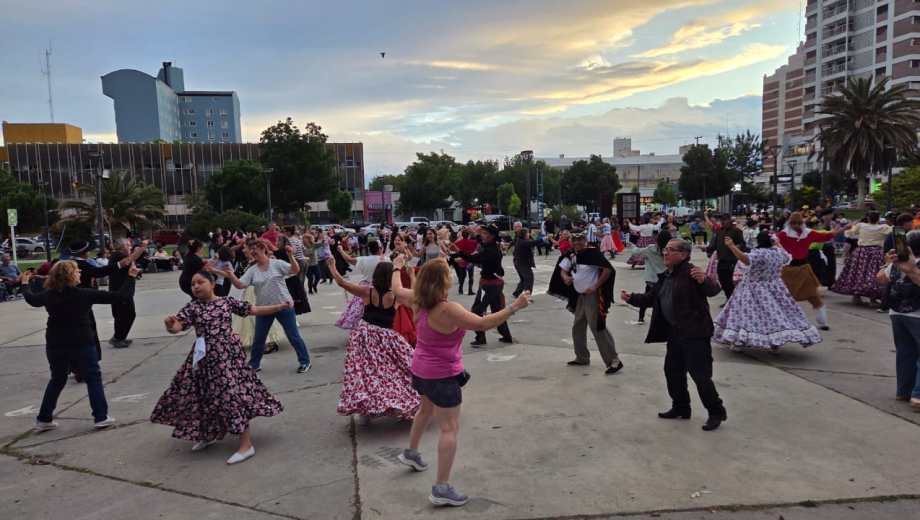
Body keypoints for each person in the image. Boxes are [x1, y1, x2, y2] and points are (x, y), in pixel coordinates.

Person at [394, 257, 531, 507]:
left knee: (424, 410)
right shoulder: (448, 309)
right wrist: (515, 306)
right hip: (442, 375)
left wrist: (396, 265)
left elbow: (395, 289)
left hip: (420, 370)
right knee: (449, 428)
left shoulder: (418, 300)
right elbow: (482, 323)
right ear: (444, 281)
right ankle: (441, 488)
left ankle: (411, 453)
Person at [153, 271, 286, 464]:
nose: (196, 286)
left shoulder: (226, 302)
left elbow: (254, 310)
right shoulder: (193, 307)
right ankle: (207, 434)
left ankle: (246, 444)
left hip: (227, 358)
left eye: (200, 282)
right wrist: (169, 324)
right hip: (204, 359)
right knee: (202, 395)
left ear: (212, 283)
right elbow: (177, 327)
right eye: (193, 284)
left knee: (231, 396)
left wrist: (279, 307)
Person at [621, 238, 727, 431]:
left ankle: (716, 411)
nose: (665, 253)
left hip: (695, 334)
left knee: (701, 376)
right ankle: (681, 407)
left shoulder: (691, 272)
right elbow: (650, 298)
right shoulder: (666, 276)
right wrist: (632, 298)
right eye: (665, 249)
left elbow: (713, 289)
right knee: (673, 373)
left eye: (670, 250)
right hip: (675, 334)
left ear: (684, 254)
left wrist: (705, 279)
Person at [24, 261, 140, 432]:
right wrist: (131, 277)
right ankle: (100, 416)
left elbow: (32, 300)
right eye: (77, 271)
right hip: (81, 341)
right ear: (70, 275)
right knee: (93, 377)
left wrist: (24, 285)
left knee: (57, 379)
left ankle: (43, 418)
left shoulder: (49, 294)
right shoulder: (83, 294)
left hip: (56, 342)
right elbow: (121, 296)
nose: (79, 273)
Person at [326, 257, 419, 419]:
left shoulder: (367, 291)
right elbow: (417, 296)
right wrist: (411, 276)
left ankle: (373, 403)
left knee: (366, 373)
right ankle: (397, 400)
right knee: (400, 368)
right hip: (386, 338)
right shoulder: (396, 297)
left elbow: (342, 283)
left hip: (364, 335)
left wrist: (333, 267)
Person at [714, 232, 822, 350]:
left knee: (745, 314)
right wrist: (778, 243)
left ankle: (739, 340)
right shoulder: (778, 253)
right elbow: (787, 256)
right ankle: (775, 342)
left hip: (752, 288)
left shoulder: (760, 254)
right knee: (773, 315)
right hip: (775, 287)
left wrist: (731, 246)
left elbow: (745, 259)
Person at [224, 239, 312, 373]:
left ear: (263, 249)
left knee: (293, 336)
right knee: (259, 338)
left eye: (255, 249)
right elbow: (240, 284)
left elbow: (295, 270)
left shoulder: (277, 264)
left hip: (284, 306)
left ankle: (305, 361)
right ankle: (254, 364)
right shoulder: (252, 270)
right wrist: (230, 274)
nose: (252, 252)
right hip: (264, 309)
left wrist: (290, 256)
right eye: (251, 249)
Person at [548, 232, 623, 373]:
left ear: (585, 240)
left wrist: (595, 286)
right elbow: (563, 270)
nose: (577, 243)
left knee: (597, 326)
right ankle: (582, 357)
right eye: (574, 240)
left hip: (593, 296)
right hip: (580, 296)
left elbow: (607, 270)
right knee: (578, 326)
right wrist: (565, 278)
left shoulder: (593, 254)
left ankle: (614, 360)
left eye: (580, 240)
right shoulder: (571, 255)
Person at [776, 212, 841, 331]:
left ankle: (823, 322)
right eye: (794, 223)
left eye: (799, 223)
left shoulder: (808, 233)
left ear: (803, 223)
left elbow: (826, 236)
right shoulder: (783, 235)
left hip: (804, 268)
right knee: (784, 297)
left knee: (813, 296)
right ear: (789, 223)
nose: (796, 225)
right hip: (787, 269)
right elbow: (772, 243)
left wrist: (842, 229)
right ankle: (782, 322)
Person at [449, 224, 513, 347]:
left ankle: (481, 337)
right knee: (497, 311)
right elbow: (479, 243)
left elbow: (475, 259)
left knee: (477, 310)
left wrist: (459, 252)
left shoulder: (491, 250)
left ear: (491, 236)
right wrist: (474, 233)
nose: (482, 235)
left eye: (484, 233)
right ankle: (506, 336)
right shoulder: (490, 246)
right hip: (491, 284)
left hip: (490, 285)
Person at [877, 231, 920, 408]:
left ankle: (903, 391)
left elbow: (880, 279)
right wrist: (912, 270)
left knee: (905, 352)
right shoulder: (909, 264)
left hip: (897, 313)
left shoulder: (898, 262)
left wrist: (887, 263)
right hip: (917, 314)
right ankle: (917, 396)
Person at [832, 211, 891, 305]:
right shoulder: (884, 227)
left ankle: (856, 297)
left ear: (868, 218)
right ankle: (873, 298)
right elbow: (893, 231)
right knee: (874, 273)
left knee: (858, 273)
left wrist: (853, 226)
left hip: (862, 251)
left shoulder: (861, 225)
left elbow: (849, 234)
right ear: (878, 219)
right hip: (877, 252)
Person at [623, 230, 671, 325]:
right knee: (664, 300)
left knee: (645, 299)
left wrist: (631, 245)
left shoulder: (651, 249)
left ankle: (641, 318)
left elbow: (636, 252)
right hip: (666, 279)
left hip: (651, 279)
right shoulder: (671, 250)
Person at [335, 241, 384, 329]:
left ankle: (359, 327)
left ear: (369, 249)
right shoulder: (386, 259)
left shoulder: (363, 259)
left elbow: (349, 259)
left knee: (359, 309)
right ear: (380, 249)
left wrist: (341, 250)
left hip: (364, 287)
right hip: (381, 287)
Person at [706, 215, 747, 303]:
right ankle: (729, 299)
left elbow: (743, 244)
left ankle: (733, 300)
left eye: (725, 220)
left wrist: (736, 246)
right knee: (722, 281)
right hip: (721, 260)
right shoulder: (720, 231)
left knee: (731, 281)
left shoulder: (737, 231)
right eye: (722, 220)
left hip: (732, 260)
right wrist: (707, 249)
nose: (723, 222)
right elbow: (715, 245)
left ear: (730, 220)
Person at [510, 222, 540, 298]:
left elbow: (532, 242)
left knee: (524, 279)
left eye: (519, 227)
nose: (529, 235)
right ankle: (527, 296)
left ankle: (516, 294)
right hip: (522, 263)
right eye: (527, 234)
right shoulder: (521, 241)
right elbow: (532, 243)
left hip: (520, 262)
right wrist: (543, 239)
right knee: (529, 278)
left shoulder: (521, 239)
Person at [452, 229, 477, 295]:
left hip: (461, 260)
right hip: (470, 260)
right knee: (471, 276)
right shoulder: (473, 242)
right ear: (469, 235)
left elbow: (453, 249)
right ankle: (470, 290)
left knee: (462, 276)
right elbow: (475, 250)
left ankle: (460, 289)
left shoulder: (458, 242)